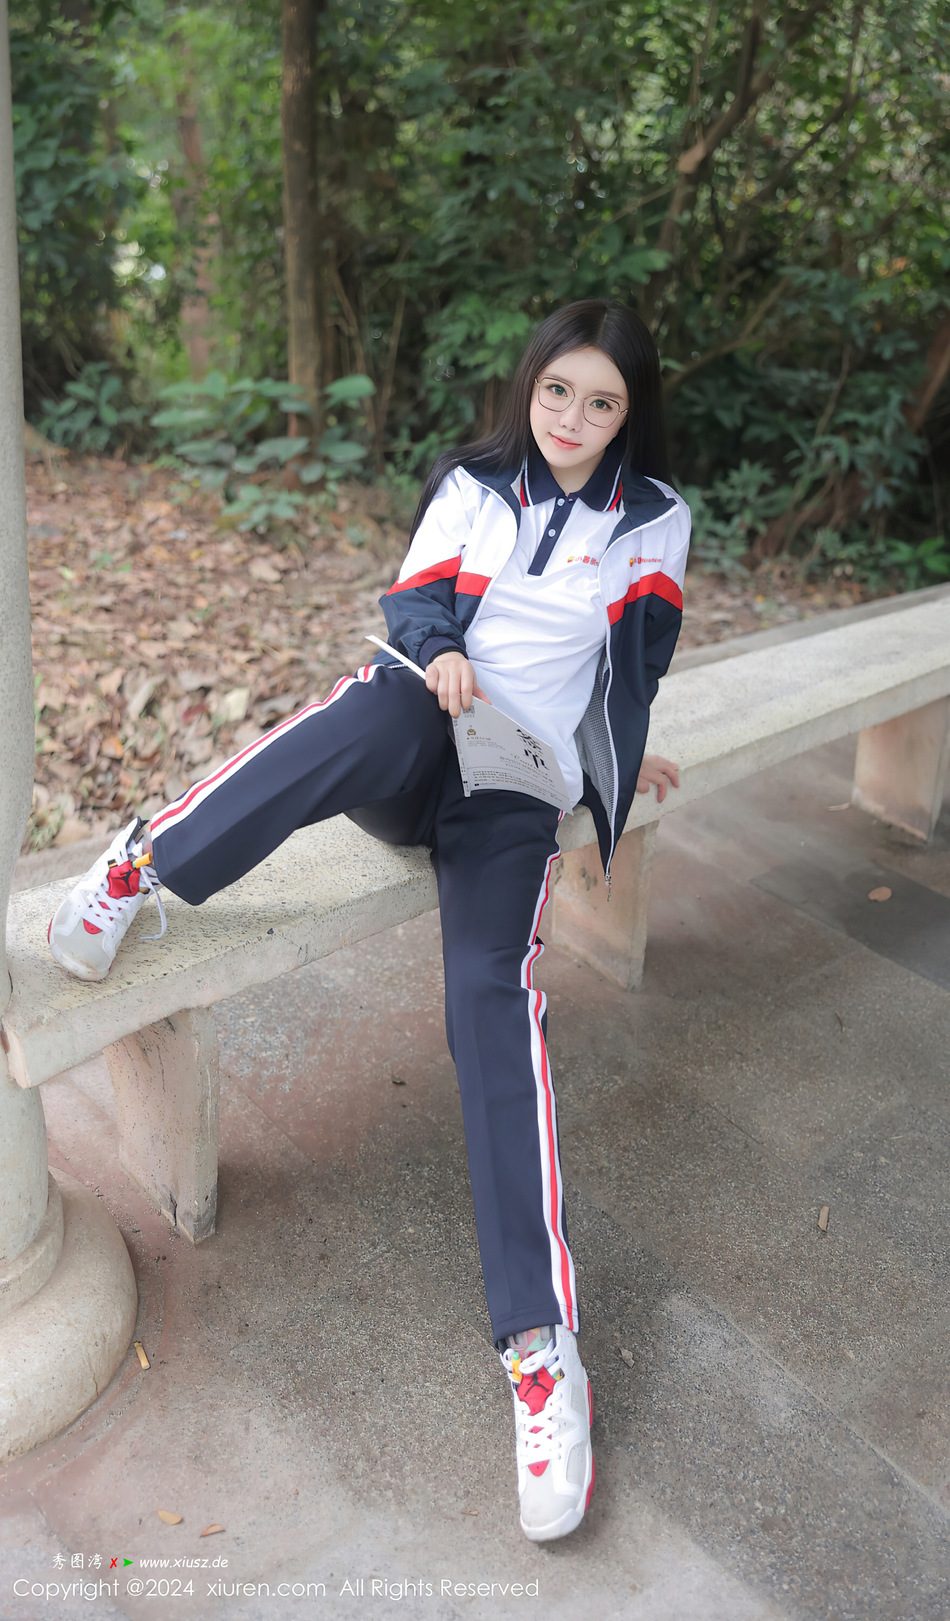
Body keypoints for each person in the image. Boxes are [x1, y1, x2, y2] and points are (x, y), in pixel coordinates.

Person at [48, 299, 689, 1543]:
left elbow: (633, 665)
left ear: (629, 413)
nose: (570, 419)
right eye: (555, 391)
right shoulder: (473, 483)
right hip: (427, 731)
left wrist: (620, 760)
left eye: (599, 402)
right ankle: (140, 865)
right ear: (528, 385)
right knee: (374, 702)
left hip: (516, 789)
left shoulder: (652, 521)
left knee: (491, 1005)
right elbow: (414, 600)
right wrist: (441, 654)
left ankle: (541, 1352)